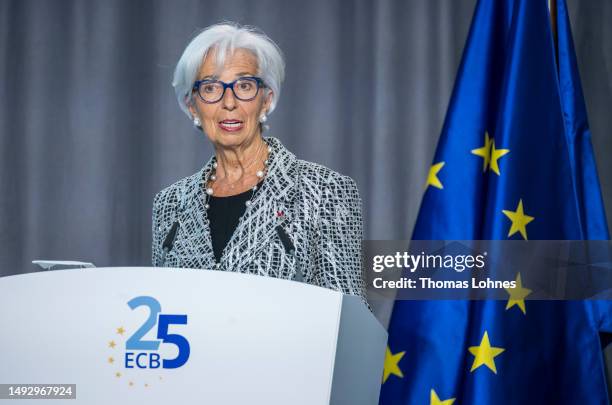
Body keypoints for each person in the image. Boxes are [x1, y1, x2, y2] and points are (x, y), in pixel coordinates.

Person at [152, 22, 366, 302]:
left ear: (266, 100)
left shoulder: (325, 191)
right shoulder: (168, 205)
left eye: (244, 85)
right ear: (192, 105)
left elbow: (350, 320)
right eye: (211, 87)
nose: (229, 102)